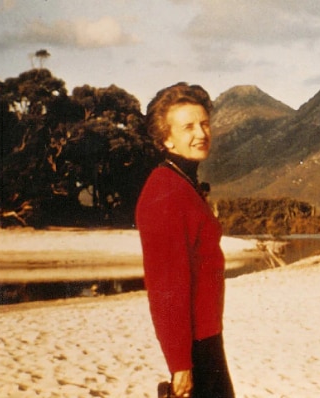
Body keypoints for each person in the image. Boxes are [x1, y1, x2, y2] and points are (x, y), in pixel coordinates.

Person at [135, 82, 235, 398]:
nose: (201, 133)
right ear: (166, 138)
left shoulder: (183, 184)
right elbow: (167, 286)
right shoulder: (165, 192)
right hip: (194, 346)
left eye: (204, 123)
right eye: (188, 127)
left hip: (206, 336)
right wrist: (180, 363)